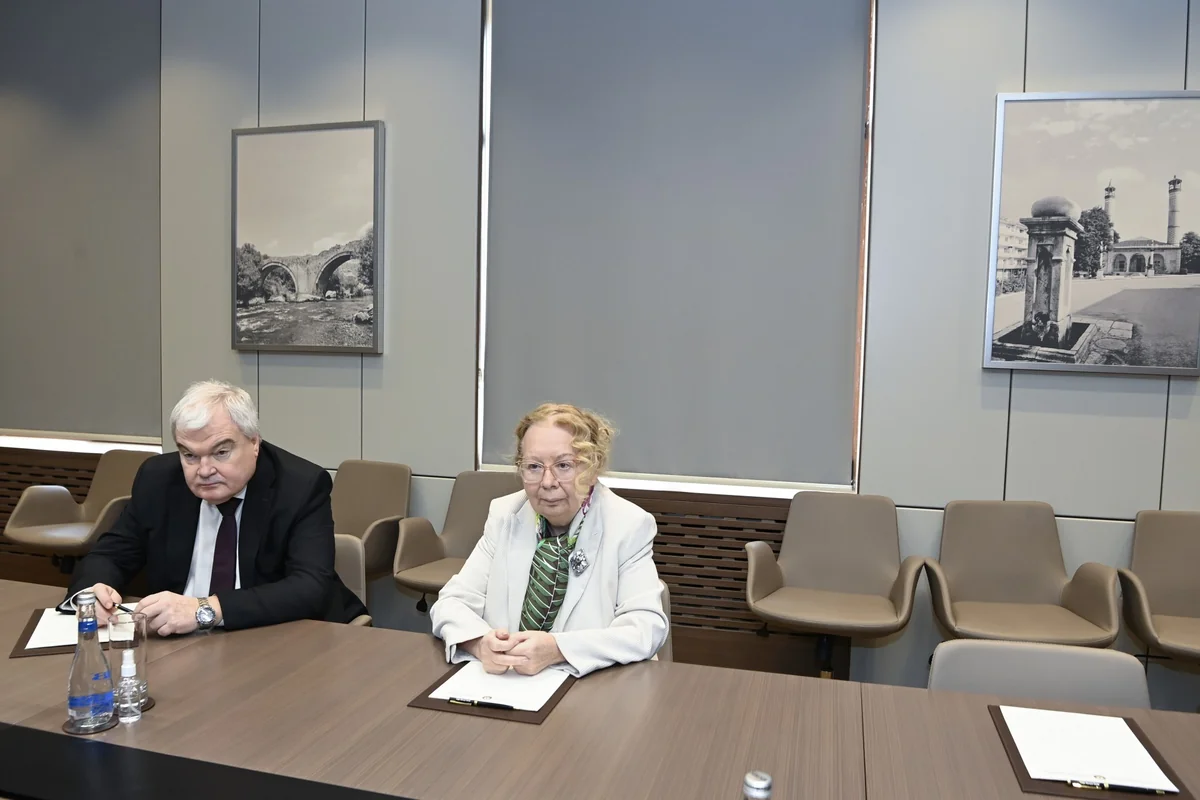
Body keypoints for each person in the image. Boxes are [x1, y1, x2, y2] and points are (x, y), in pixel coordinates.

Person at [63, 380, 367, 635]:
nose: (204, 470)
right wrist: (92, 592)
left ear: (254, 443)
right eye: (190, 455)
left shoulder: (300, 486)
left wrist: (204, 609)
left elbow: (309, 587)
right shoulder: (158, 479)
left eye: (221, 452)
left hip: (275, 636)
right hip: (180, 645)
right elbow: (111, 554)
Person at [430, 403, 668, 677]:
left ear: (593, 468)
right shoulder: (504, 514)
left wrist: (557, 649)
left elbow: (646, 627)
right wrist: (479, 643)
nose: (547, 482)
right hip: (507, 683)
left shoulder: (628, 524)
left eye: (564, 465)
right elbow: (451, 602)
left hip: (591, 686)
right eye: (533, 466)